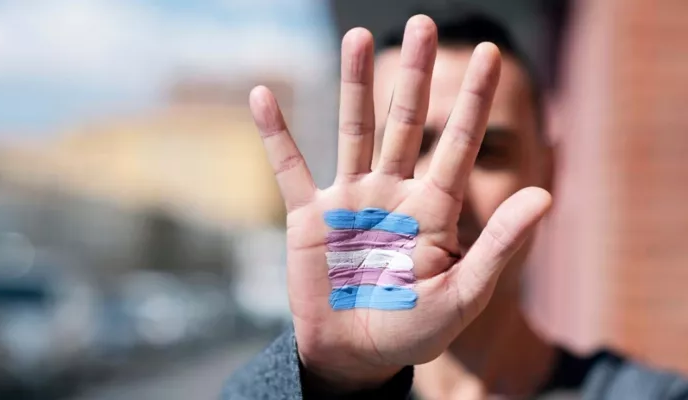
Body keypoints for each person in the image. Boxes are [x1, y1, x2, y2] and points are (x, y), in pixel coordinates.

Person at [222, 6, 688, 400]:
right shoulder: (294, 383)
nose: (443, 196)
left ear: (549, 170)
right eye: (406, 150)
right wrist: (342, 378)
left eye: (488, 152)